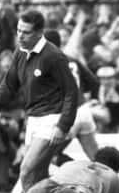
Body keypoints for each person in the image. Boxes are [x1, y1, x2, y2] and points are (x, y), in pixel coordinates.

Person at [0, 10, 79, 193]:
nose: (20, 36)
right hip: (32, 119)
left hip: (51, 119)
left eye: (26, 32)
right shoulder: (21, 52)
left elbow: (71, 91)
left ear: (39, 33)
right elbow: (9, 85)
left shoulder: (53, 56)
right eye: (18, 30)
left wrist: (63, 125)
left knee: (26, 171)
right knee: (39, 176)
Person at [43, 28, 101, 162]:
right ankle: (110, 179)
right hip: (84, 112)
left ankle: (77, 171)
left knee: (49, 157)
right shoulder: (72, 60)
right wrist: (94, 98)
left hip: (67, 115)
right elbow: (94, 82)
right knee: (96, 158)